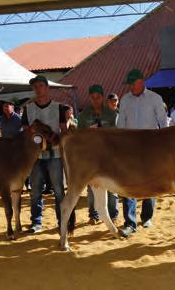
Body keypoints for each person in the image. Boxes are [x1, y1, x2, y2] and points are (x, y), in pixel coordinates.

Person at [117, 69, 168, 237]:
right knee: (128, 183)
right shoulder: (124, 100)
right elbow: (121, 124)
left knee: (150, 182)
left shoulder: (155, 99)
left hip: (151, 146)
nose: (131, 87)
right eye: (129, 84)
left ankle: (147, 217)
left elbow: (163, 123)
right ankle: (130, 223)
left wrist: (164, 145)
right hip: (130, 147)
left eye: (133, 83)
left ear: (141, 82)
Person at [22, 75, 70, 234]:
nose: (38, 89)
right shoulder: (28, 109)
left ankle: (61, 221)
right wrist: (31, 132)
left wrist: (54, 140)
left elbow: (64, 132)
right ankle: (36, 222)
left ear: (47, 88)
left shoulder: (59, 108)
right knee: (35, 191)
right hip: (35, 157)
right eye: (35, 86)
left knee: (58, 191)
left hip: (55, 154)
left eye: (41, 86)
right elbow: (25, 132)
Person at [78, 84, 119, 225]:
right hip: (91, 156)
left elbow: (117, 134)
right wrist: (88, 131)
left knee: (112, 186)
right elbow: (79, 136)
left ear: (102, 97)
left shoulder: (113, 114)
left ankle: (113, 215)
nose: (95, 100)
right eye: (93, 97)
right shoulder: (83, 115)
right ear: (89, 98)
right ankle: (93, 215)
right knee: (92, 187)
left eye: (98, 97)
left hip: (110, 154)